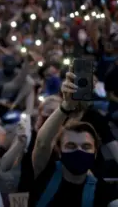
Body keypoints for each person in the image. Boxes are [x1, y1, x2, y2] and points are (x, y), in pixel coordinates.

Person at [29, 70, 118, 206]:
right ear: (59, 149)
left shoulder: (100, 189)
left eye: (86, 146)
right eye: (71, 146)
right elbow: (42, 143)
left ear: (95, 152)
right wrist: (66, 106)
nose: (79, 151)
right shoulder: (46, 173)